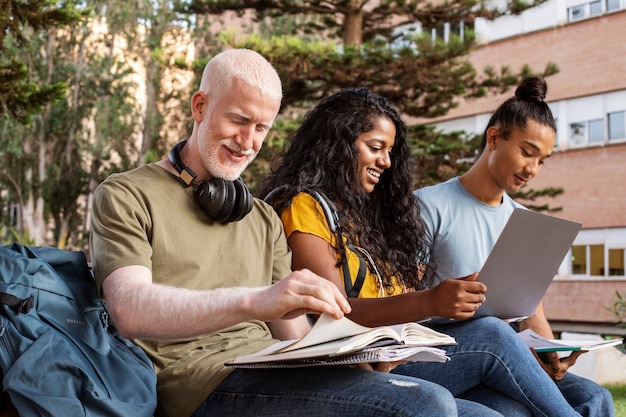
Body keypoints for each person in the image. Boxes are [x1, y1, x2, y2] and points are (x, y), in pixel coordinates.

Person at [88, 48, 471, 417]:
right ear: (200, 106)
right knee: (427, 404)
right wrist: (254, 300)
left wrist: (361, 360)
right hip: (201, 382)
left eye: (261, 128)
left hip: (276, 369)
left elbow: (293, 335)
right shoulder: (126, 193)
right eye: (238, 120)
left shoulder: (262, 218)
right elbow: (129, 309)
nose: (248, 142)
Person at [259, 86, 590, 416]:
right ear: (337, 143)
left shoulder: (365, 217)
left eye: (390, 151)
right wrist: (432, 301)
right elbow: (337, 311)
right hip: (363, 368)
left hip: (403, 356)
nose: (386, 161)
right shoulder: (304, 207)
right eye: (376, 147)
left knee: (509, 411)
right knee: (492, 334)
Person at [414, 76, 615, 417]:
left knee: (595, 397)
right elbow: (395, 298)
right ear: (494, 137)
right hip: (441, 357)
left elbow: (531, 314)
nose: (532, 169)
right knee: (492, 333)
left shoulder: (524, 221)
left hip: (503, 361)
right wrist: (444, 303)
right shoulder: (427, 206)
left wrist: (550, 354)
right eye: (527, 152)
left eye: (542, 161)